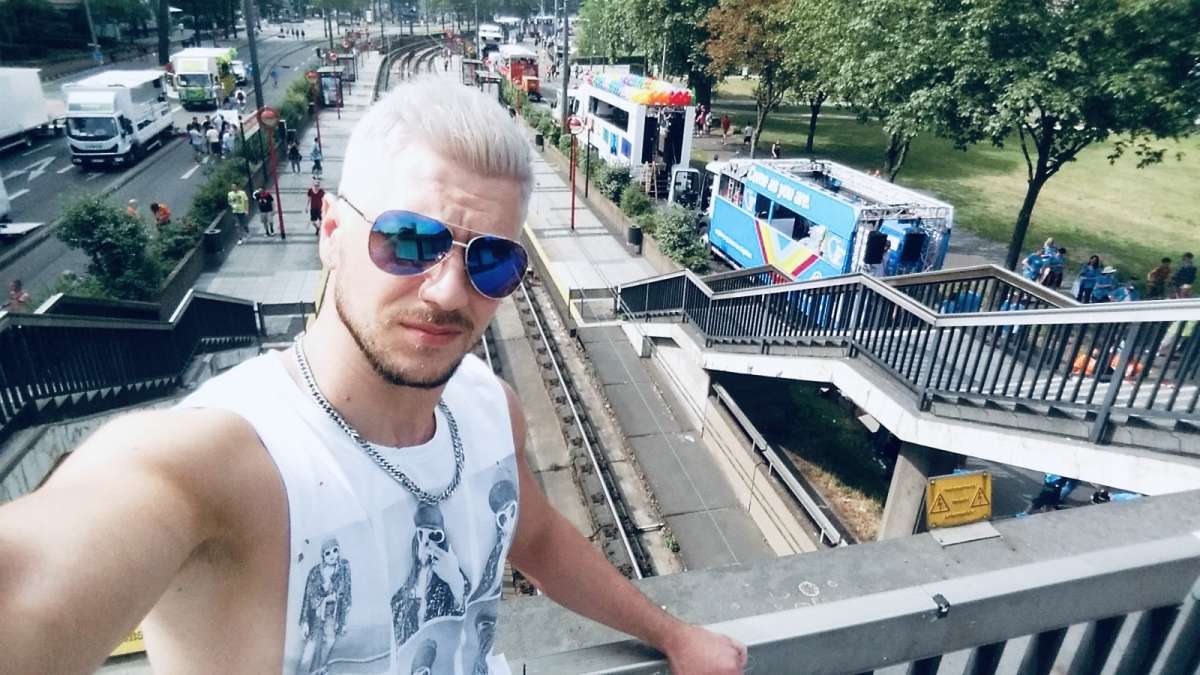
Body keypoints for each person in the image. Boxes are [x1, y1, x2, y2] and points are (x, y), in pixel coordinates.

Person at [0, 80, 746, 675]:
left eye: (490, 260)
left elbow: (536, 537)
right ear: (332, 234)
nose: (451, 291)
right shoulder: (219, 463)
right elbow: (31, 582)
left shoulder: (490, 408)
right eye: (409, 240)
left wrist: (674, 635)